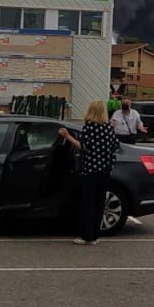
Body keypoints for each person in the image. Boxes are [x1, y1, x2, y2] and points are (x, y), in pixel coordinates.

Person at [58, 102, 122, 244]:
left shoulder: (89, 128)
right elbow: (115, 146)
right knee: (100, 202)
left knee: (88, 203)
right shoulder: (109, 128)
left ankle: (87, 236)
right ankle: (95, 236)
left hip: (90, 169)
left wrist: (67, 136)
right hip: (105, 170)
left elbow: (82, 146)